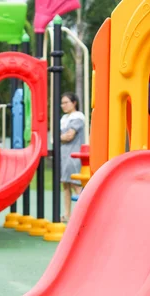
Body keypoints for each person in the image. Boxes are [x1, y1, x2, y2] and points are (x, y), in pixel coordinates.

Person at [60, 92, 85, 222]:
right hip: (64, 155)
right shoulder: (64, 119)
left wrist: (59, 138)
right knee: (66, 184)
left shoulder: (77, 118)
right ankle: (67, 214)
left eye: (66, 102)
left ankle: (82, 215)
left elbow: (69, 135)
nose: (63, 105)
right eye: (62, 103)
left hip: (73, 154)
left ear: (74, 103)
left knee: (76, 184)